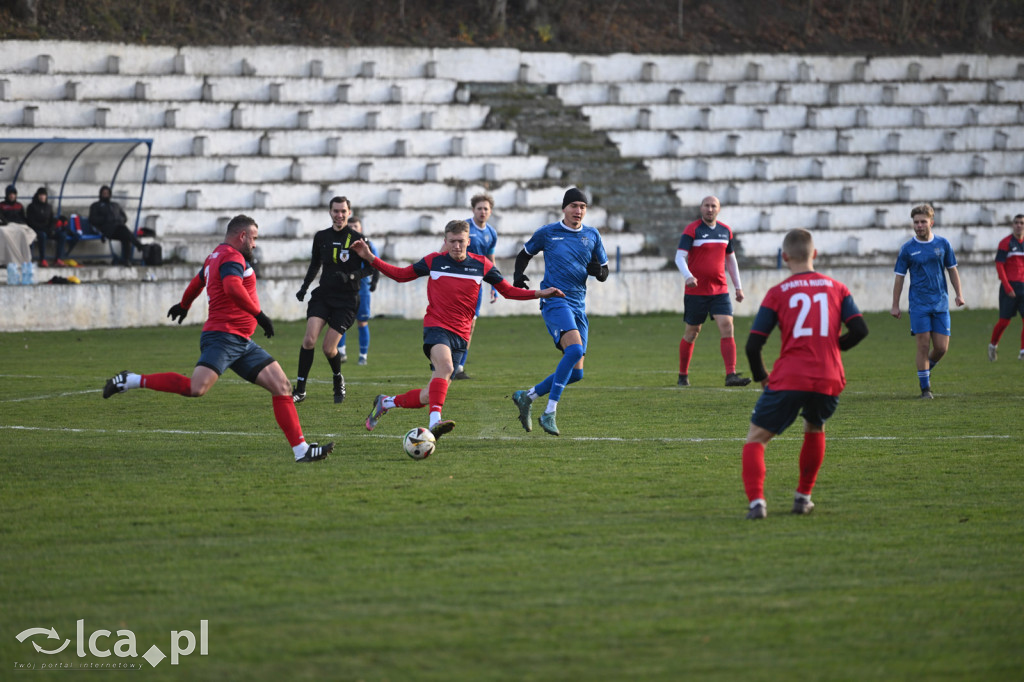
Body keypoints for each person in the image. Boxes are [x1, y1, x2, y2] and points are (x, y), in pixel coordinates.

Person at [102, 215, 333, 463]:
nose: (254, 244)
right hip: (223, 337)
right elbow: (233, 287)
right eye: (253, 238)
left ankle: (301, 451)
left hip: (241, 341)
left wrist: (184, 304)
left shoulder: (216, 255)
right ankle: (131, 380)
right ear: (242, 236)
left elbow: (197, 281)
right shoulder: (233, 257)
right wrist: (260, 315)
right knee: (196, 388)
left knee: (282, 386)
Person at [351, 219, 564, 440]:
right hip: (436, 328)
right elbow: (401, 274)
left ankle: (385, 402)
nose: (456, 246)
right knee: (445, 366)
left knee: (428, 395)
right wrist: (370, 258)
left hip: (461, 336)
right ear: (445, 241)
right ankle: (435, 423)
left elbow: (508, 291)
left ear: (468, 241)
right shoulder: (434, 261)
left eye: (461, 241)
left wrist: (540, 293)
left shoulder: (482, 265)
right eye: (452, 241)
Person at [741, 228, 869, 520]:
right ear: (815, 254)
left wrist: (763, 377)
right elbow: (860, 329)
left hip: (790, 376)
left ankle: (757, 504)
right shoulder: (837, 288)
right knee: (815, 425)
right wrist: (834, 347)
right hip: (828, 376)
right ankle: (803, 498)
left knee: (756, 438)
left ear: (784, 257)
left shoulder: (777, 293)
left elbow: (753, 345)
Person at [510, 187, 609, 436]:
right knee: (574, 350)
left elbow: (604, 270)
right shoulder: (548, 233)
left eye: (582, 207)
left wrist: (598, 272)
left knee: (577, 373)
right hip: (554, 299)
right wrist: (518, 275)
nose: (578, 211)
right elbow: (524, 253)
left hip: (578, 304)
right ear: (564, 208)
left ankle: (527, 396)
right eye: (574, 205)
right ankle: (549, 412)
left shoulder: (592, 235)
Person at [292, 196, 375, 404]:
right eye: (335, 211)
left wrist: (351, 277)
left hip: (347, 300)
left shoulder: (357, 238)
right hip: (323, 296)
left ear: (349, 212)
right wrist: (304, 287)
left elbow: (371, 267)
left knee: (328, 349)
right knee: (309, 340)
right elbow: (315, 264)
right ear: (330, 212)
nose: (339, 215)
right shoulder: (321, 237)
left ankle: (338, 378)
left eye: (343, 211)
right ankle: (300, 389)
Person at [890, 204, 966, 399]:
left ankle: (925, 369)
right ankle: (925, 389)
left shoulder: (943, 244)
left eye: (923, 222)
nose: (919, 225)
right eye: (916, 222)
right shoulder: (907, 249)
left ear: (931, 222)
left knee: (941, 348)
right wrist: (895, 304)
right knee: (923, 345)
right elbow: (899, 277)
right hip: (918, 305)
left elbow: (952, 269)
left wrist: (959, 294)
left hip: (940, 303)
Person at [675, 195, 751, 388]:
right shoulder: (692, 230)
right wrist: (688, 276)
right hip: (696, 292)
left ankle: (731, 375)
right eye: (706, 206)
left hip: (720, 290)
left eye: (713, 206)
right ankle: (683, 375)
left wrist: (738, 287)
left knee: (727, 327)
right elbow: (679, 257)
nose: (710, 209)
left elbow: (731, 261)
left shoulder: (726, 231)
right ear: (701, 208)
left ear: (719, 209)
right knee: (692, 332)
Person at [452, 193, 499, 380]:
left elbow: (490, 260)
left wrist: (494, 285)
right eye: (479, 208)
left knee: (470, 326)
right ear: (473, 210)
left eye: (486, 208)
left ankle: (459, 367)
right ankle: (449, 363)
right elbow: (445, 249)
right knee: (454, 324)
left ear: (490, 212)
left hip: (476, 286)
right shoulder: (463, 228)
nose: (482, 211)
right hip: (457, 283)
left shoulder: (491, 233)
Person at [336, 215, 378, 366]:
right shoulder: (342, 245)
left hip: (363, 290)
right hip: (345, 290)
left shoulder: (369, 245)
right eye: (351, 226)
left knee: (362, 322)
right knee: (341, 321)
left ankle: (363, 356)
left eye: (356, 227)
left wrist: (374, 281)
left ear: (361, 229)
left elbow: (376, 264)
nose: (353, 229)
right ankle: (341, 352)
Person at [987, 214, 1024, 362]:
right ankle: (993, 345)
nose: (1019, 225)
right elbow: (999, 265)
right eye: (1016, 223)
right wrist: (1007, 286)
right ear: (1012, 225)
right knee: (1004, 322)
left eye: (1021, 223)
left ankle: (1022, 351)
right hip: (1010, 287)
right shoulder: (1006, 243)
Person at [88, 184, 145, 266]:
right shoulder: (96, 206)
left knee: (126, 236)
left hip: (118, 228)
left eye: (107, 193)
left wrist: (118, 220)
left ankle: (126, 260)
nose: (105, 195)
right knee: (125, 231)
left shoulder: (115, 205)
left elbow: (124, 217)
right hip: (106, 230)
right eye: (103, 193)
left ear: (110, 194)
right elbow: (92, 219)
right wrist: (104, 219)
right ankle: (139, 246)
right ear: (100, 194)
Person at [24, 187, 67, 267]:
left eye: (44, 195)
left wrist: (52, 228)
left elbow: (52, 220)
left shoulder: (48, 207)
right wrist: (44, 228)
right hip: (37, 230)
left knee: (62, 235)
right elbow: (31, 222)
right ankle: (43, 259)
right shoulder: (31, 207)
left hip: (47, 230)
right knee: (42, 235)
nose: (42, 197)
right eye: (40, 195)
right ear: (37, 196)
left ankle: (58, 259)